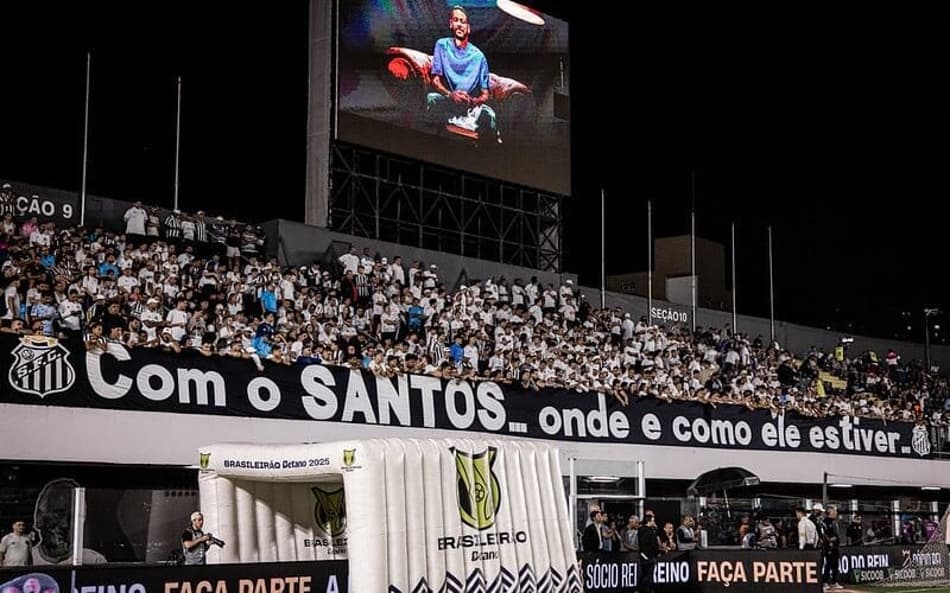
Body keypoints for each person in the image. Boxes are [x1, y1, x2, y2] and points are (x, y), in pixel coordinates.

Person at [426, 6, 499, 140]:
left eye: (463, 21)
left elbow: (485, 94)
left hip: (468, 105)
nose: (459, 24)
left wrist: (474, 101)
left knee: (490, 114)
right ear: (451, 24)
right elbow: (434, 80)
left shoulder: (479, 57)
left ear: (468, 28)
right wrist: (450, 95)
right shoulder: (441, 45)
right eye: (456, 20)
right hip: (448, 99)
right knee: (431, 98)